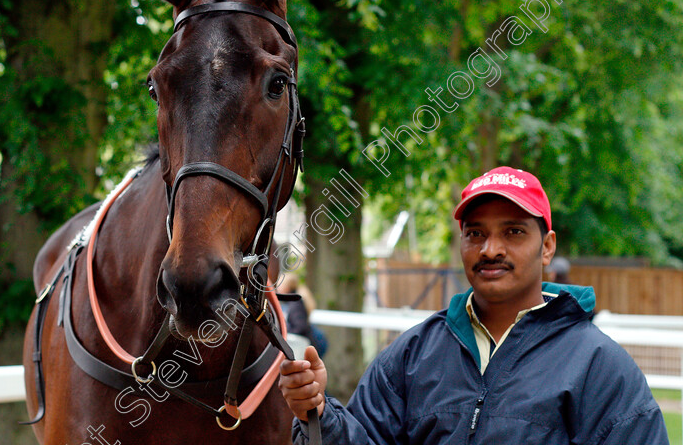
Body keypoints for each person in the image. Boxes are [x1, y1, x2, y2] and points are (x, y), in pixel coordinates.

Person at [279, 166, 668, 444]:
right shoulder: (411, 356)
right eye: (475, 233)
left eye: (513, 232)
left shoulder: (600, 368)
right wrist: (319, 412)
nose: (491, 249)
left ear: (547, 246)